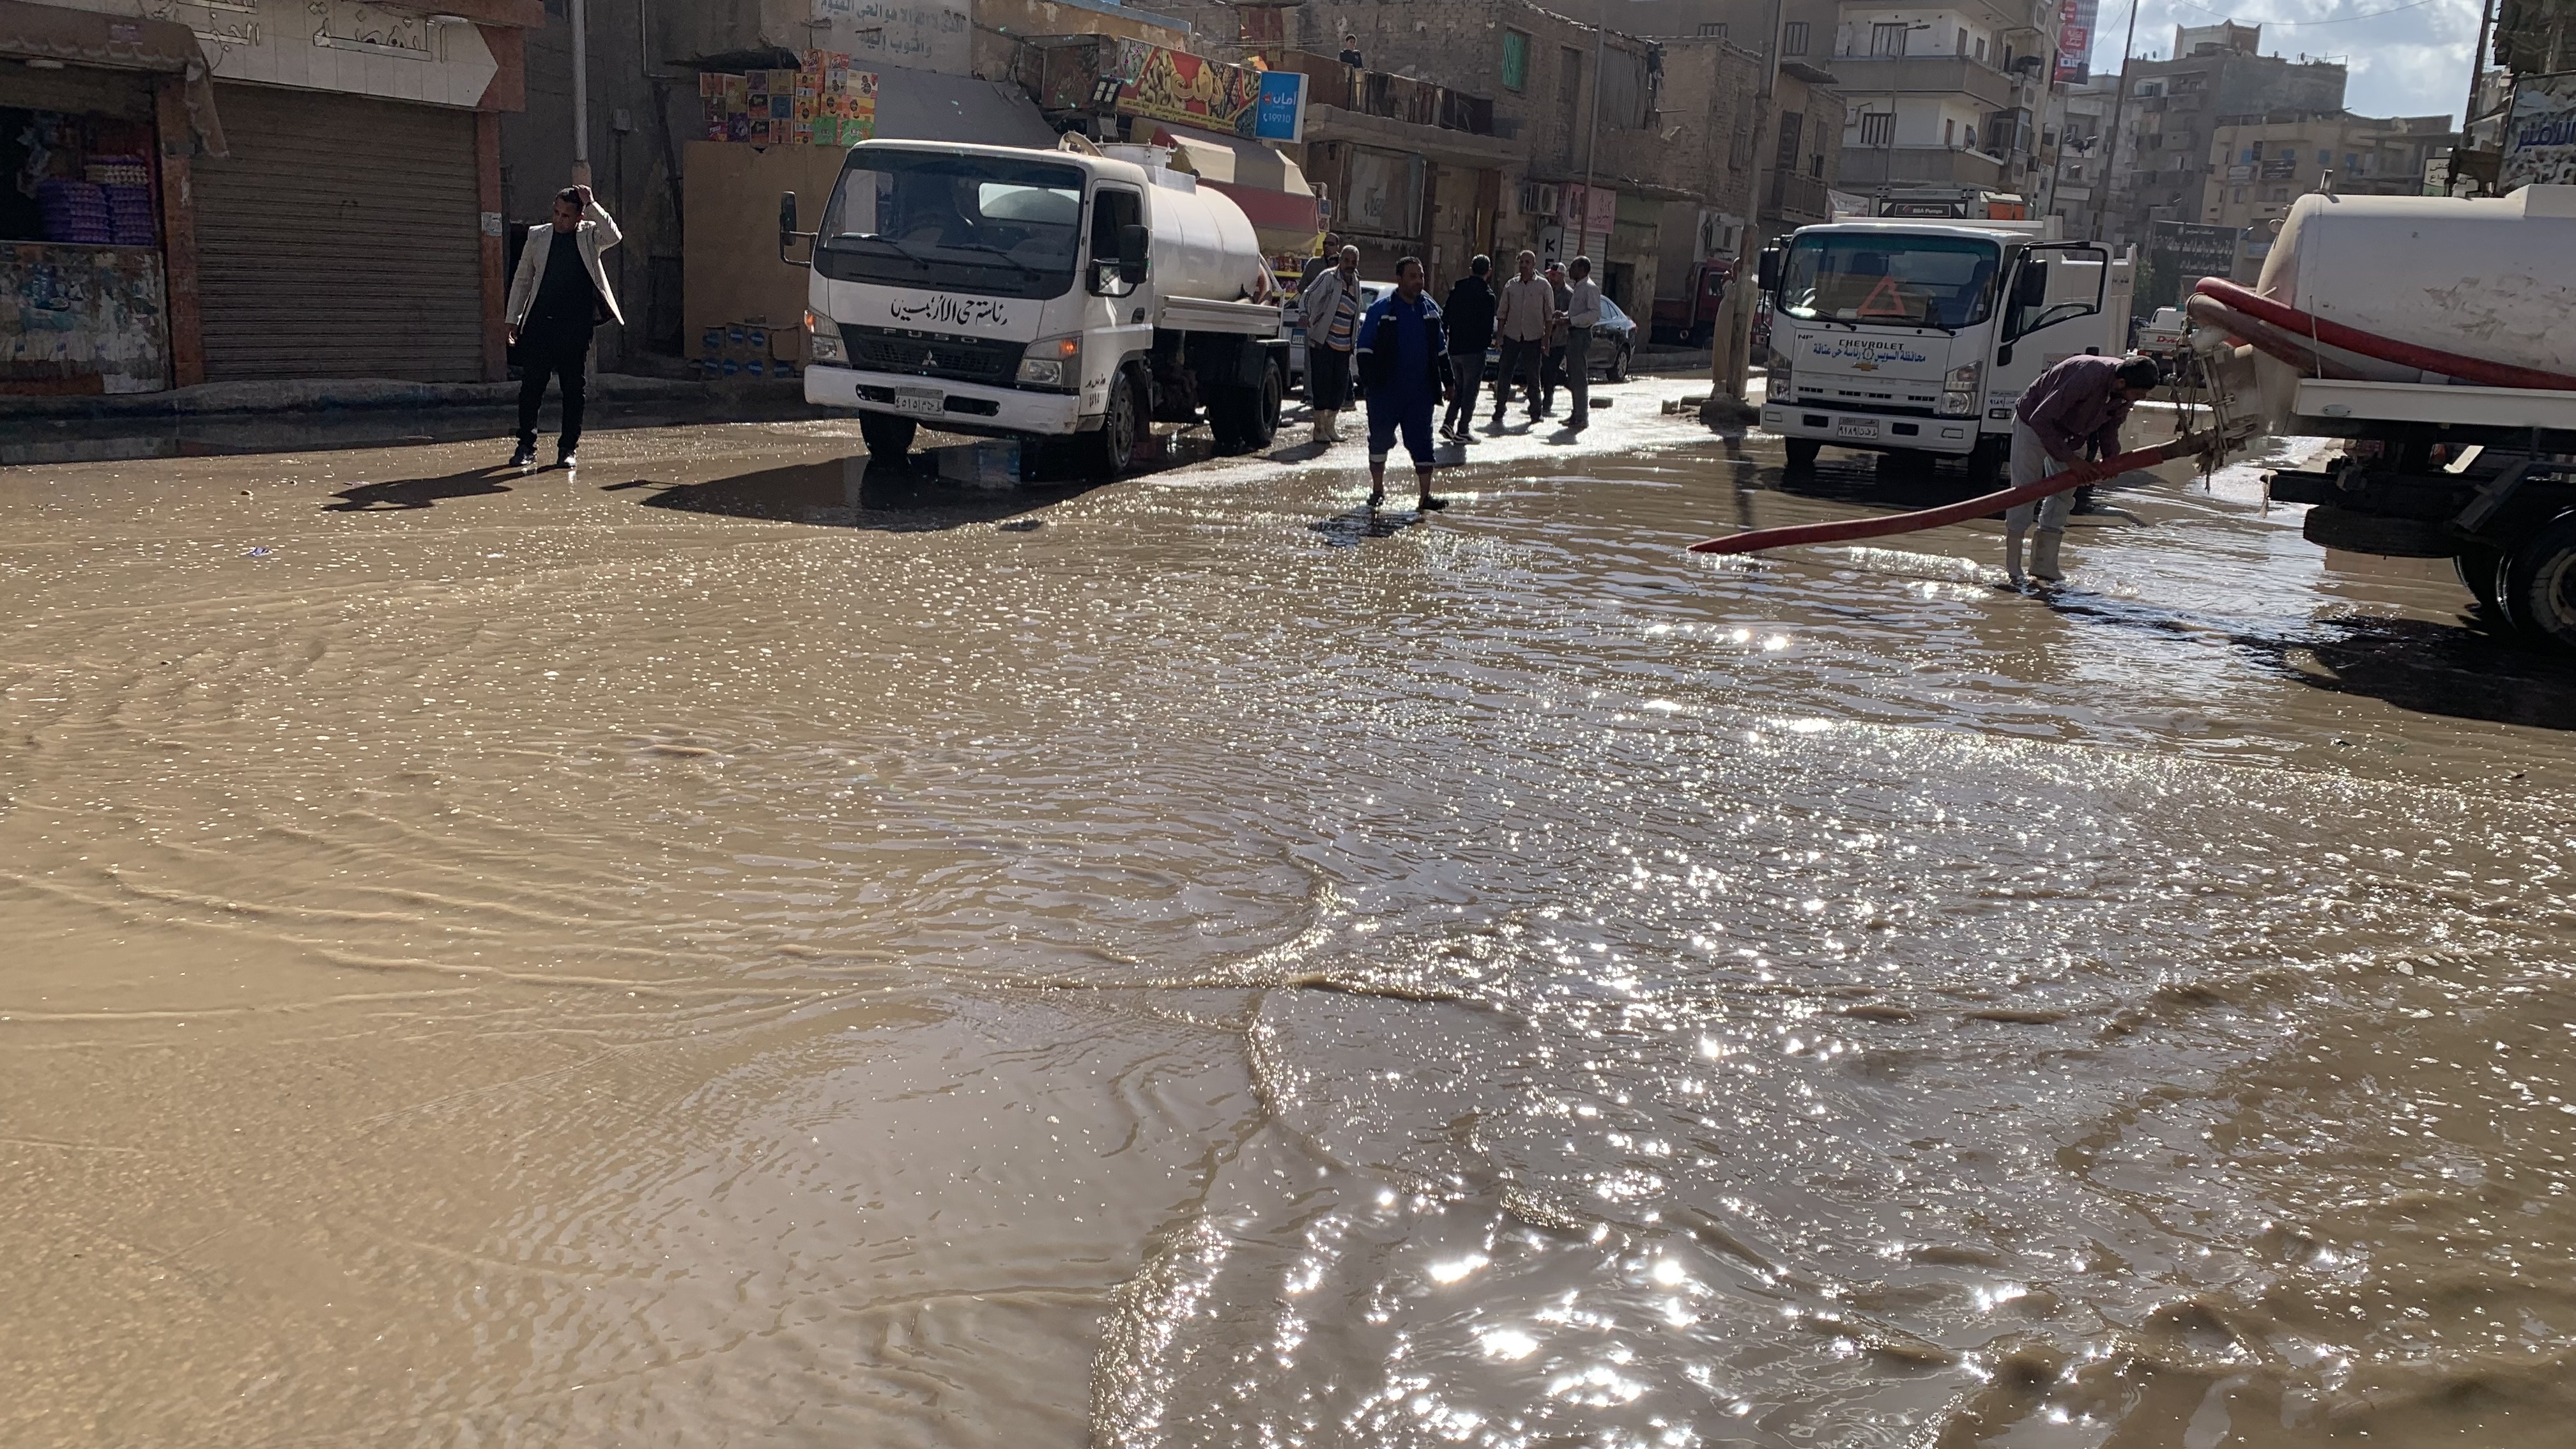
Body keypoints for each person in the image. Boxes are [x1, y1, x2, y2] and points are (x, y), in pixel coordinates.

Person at [2006, 353, 2159, 583]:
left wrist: (2111, 459)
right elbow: (2041, 419)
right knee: (2025, 493)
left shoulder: (2124, 394)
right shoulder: (2087, 376)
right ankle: (2013, 568)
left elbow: (2110, 428)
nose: (2140, 399)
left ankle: (2044, 566)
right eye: (2138, 394)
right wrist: (2073, 461)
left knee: (2064, 496)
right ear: (2121, 383)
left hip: (2072, 434)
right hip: (2032, 425)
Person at [504, 185, 622, 469]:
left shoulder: (589, 235)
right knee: (532, 386)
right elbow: (523, 278)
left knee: (573, 388)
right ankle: (526, 446)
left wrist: (591, 204)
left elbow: (614, 236)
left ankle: (568, 449)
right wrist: (513, 318)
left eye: (566, 215)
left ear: (579, 217)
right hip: (541, 322)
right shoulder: (538, 236)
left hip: (575, 325)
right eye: (556, 213)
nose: (559, 220)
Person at [1356, 256, 1451, 514]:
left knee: (1423, 443)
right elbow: (1364, 350)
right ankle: (1377, 491)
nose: (1419, 281)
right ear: (1399, 279)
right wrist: (1371, 385)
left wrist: (1450, 383)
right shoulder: (1381, 310)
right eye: (1413, 276)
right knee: (1379, 440)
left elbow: (1441, 350)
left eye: (1421, 276)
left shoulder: (1429, 310)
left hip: (1420, 394)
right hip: (1385, 393)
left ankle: (1425, 497)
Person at [1302, 245, 1363, 445]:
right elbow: (1308, 295)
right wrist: (1305, 314)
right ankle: (1319, 429)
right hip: (1324, 341)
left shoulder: (1356, 282)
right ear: (1340, 260)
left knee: (1338, 389)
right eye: (1346, 260)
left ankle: (1330, 427)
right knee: (1322, 385)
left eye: (1354, 262)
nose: (1350, 265)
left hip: (1344, 345)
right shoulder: (1329, 277)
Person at [1489, 250, 1553, 427]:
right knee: (1504, 374)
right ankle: (1500, 409)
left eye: (1527, 262)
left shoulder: (1543, 286)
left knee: (1533, 376)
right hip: (1512, 336)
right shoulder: (1511, 285)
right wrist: (1500, 336)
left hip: (1533, 337)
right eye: (1521, 262)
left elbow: (1549, 315)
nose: (1524, 265)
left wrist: (1546, 339)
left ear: (1534, 265)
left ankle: (1536, 412)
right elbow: (1502, 312)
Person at [1439, 255, 1496, 442]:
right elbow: (1488, 326)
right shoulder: (1487, 296)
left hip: (1455, 348)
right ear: (1488, 272)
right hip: (1474, 351)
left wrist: (1446, 338)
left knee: (1459, 388)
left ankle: (1449, 423)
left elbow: (1445, 316)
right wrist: (1486, 343)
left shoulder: (1458, 289)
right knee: (1470, 391)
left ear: (1471, 270)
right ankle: (1463, 430)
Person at [1561, 255, 1602, 431]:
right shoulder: (1578, 288)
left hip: (1581, 335)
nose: (1570, 271)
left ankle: (1581, 417)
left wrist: (1571, 320)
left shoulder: (1590, 288)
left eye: (1573, 267)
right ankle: (1576, 413)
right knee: (1572, 375)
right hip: (1573, 334)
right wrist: (1564, 316)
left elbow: (1594, 314)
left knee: (1579, 376)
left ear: (1583, 269)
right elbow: (1577, 312)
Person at [1538, 261, 1572, 417]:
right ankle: (1564, 382)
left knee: (1551, 369)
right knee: (1544, 369)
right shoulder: (1546, 290)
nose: (1551, 278)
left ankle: (1548, 401)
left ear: (1561, 276)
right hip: (1544, 336)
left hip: (1559, 339)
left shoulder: (1569, 294)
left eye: (1554, 275)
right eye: (1549, 275)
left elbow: (1572, 314)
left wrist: (1561, 317)